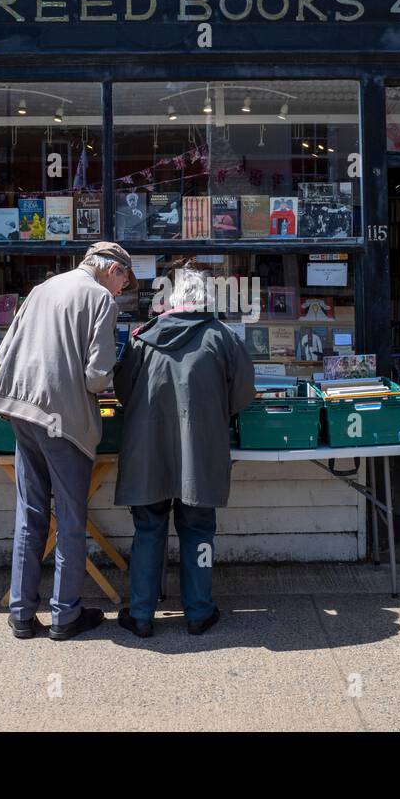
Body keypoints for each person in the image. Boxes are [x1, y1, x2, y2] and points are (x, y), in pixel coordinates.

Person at [0, 241, 135, 641]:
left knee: (30, 514)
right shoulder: (101, 299)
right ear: (110, 269)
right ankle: (65, 614)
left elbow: (1, 359)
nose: (123, 288)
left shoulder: (42, 288)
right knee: (69, 518)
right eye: (124, 279)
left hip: (22, 412)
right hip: (62, 420)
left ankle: (21, 614)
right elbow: (96, 377)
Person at [112, 267, 255, 638]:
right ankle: (199, 612)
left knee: (147, 530)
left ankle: (142, 614)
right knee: (200, 532)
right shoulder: (222, 337)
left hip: (148, 452)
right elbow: (242, 394)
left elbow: (124, 392)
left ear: (172, 301)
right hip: (201, 452)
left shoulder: (142, 338)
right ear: (207, 299)